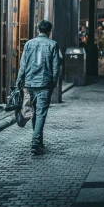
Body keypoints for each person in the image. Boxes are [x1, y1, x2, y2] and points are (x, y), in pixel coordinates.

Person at [15, 20, 60, 155]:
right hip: (45, 84)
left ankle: (38, 141)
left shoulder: (29, 44)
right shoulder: (53, 45)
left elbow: (23, 65)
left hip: (29, 83)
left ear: (38, 30)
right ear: (49, 31)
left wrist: (19, 80)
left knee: (34, 112)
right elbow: (55, 66)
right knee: (40, 114)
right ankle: (36, 143)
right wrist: (54, 82)